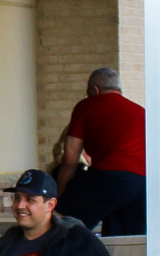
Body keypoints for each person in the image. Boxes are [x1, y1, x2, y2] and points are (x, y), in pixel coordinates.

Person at [55, 68, 146, 234]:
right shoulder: (141, 111)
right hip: (142, 184)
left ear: (94, 90)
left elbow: (70, 159)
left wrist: (60, 198)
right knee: (124, 243)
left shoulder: (86, 106)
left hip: (109, 177)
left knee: (59, 224)